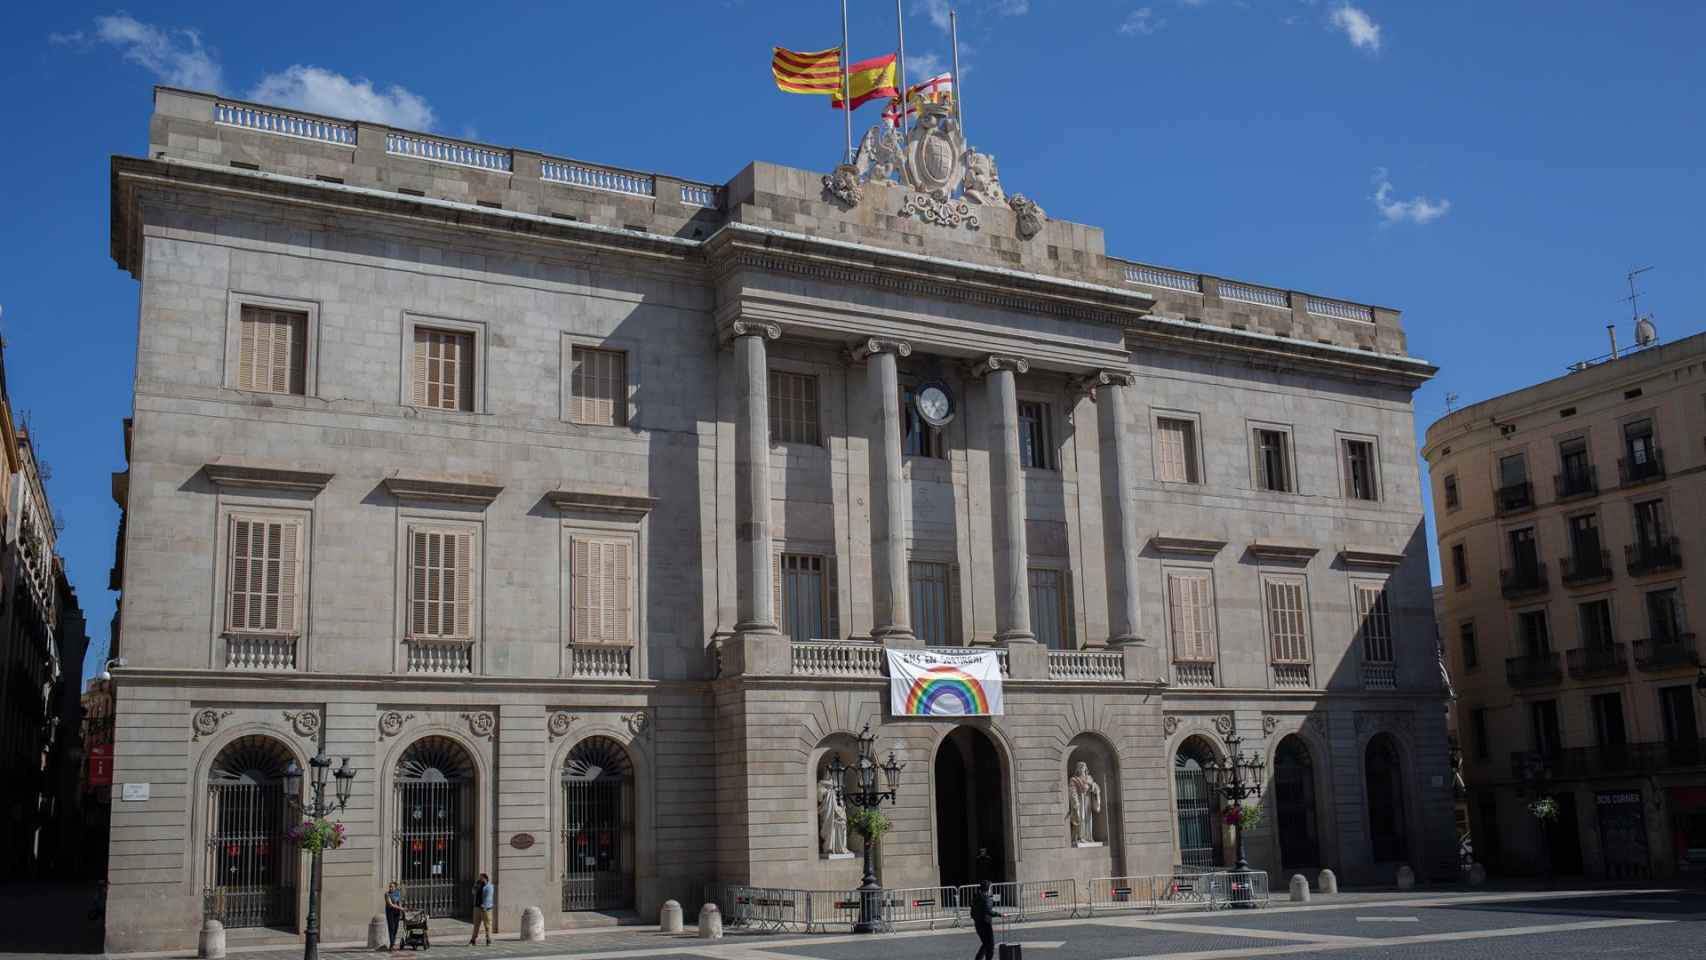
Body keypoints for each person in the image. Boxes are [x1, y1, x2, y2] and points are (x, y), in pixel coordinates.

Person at [970, 878, 1001, 960]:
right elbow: (988, 911)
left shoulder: (976, 897)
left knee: (985, 944)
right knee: (990, 945)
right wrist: (1000, 914)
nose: (991, 889)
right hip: (986, 924)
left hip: (978, 924)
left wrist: (977, 919)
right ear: (988, 888)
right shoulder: (987, 898)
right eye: (991, 887)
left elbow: (972, 913)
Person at [470, 873, 495, 945]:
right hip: (477, 907)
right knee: (476, 925)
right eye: (479, 878)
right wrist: (475, 887)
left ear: (485, 878)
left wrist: (485, 906)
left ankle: (488, 939)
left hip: (486, 909)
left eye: (481, 878)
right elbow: (473, 892)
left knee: (487, 925)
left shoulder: (489, 886)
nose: (480, 879)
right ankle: (473, 940)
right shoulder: (478, 885)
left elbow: (488, 897)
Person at [383, 882, 405, 951]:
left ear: (395, 887)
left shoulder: (397, 893)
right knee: (391, 928)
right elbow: (391, 904)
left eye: (392, 887)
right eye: (390, 886)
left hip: (397, 913)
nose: (390, 888)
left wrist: (401, 909)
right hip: (390, 912)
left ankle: (393, 943)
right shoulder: (387, 894)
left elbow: (399, 902)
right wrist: (400, 908)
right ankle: (392, 944)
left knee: (395, 928)